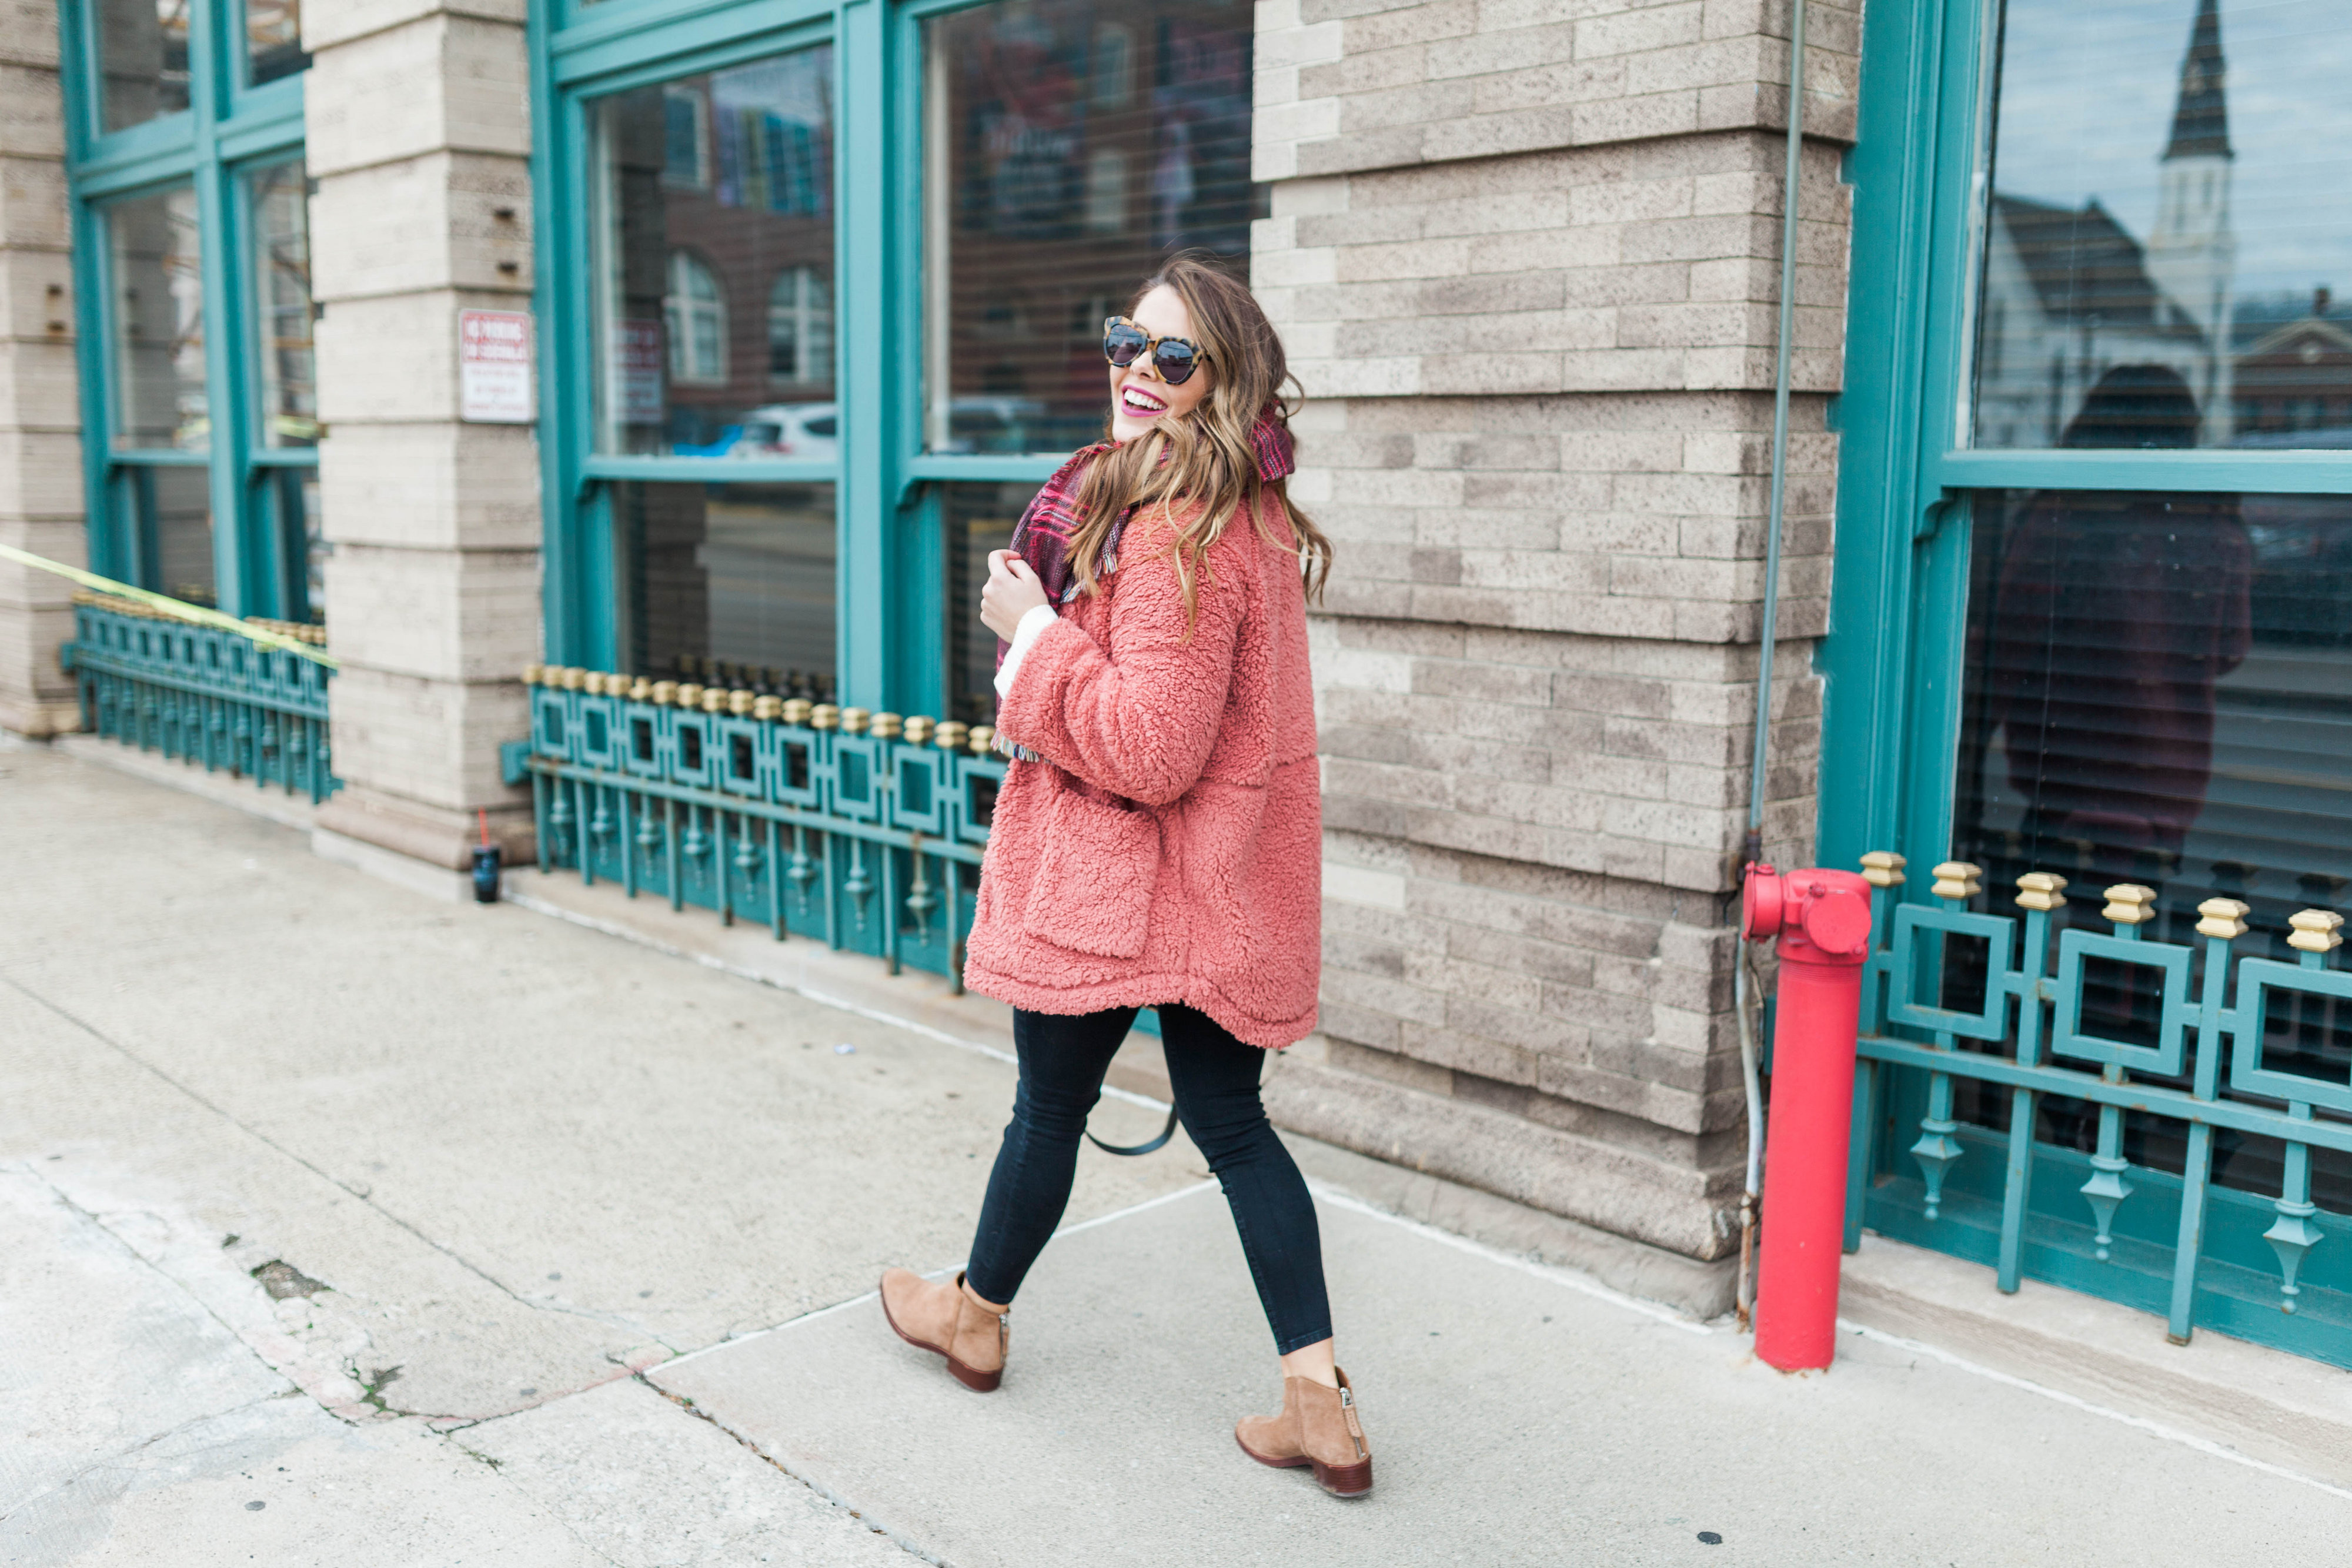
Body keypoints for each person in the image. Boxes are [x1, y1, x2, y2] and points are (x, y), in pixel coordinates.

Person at [875, 253, 1369, 1498]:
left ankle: (975, 1315)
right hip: (1208, 883)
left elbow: (1152, 747)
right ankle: (1319, 1397)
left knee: (1047, 1112)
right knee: (1234, 1128)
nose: (1135, 373)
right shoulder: (1235, 511)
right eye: (1122, 341)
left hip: (1122, 876)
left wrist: (1029, 637)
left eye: (1172, 356)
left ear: (1226, 380)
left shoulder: (1170, 529)